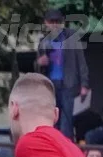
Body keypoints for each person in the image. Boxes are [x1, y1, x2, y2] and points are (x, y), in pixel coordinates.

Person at [35, 9, 89, 140]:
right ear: (46, 23)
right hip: (50, 86)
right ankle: (53, 150)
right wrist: (39, 62)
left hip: (68, 85)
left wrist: (84, 84)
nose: (55, 24)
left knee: (67, 123)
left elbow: (82, 62)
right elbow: (37, 69)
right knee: (51, 120)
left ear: (62, 22)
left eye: (57, 22)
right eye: (51, 21)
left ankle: (66, 151)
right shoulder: (43, 42)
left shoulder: (72, 37)